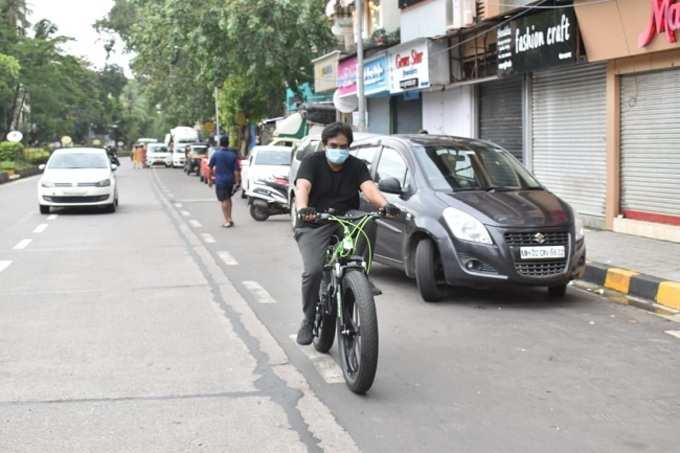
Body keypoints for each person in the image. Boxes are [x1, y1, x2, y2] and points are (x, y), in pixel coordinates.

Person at [294, 122, 399, 345]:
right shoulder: (311, 162)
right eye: (334, 145)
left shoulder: (356, 165)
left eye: (344, 147)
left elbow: (369, 189)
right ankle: (308, 319)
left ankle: (361, 273)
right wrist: (303, 209)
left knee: (369, 221)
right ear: (324, 145)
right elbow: (302, 187)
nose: (339, 150)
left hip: (346, 216)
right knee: (313, 271)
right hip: (315, 220)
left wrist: (385, 205)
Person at [208, 135, 241, 228]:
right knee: (228, 198)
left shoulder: (216, 154)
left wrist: (209, 179)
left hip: (220, 181)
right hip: (230, 181)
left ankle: (227, 220)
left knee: (224, 200)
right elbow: (236, 171)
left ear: (220, 143)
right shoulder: (232, 155)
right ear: (228, 143)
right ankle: (230, 218)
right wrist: (237, 182)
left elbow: (210, 168)